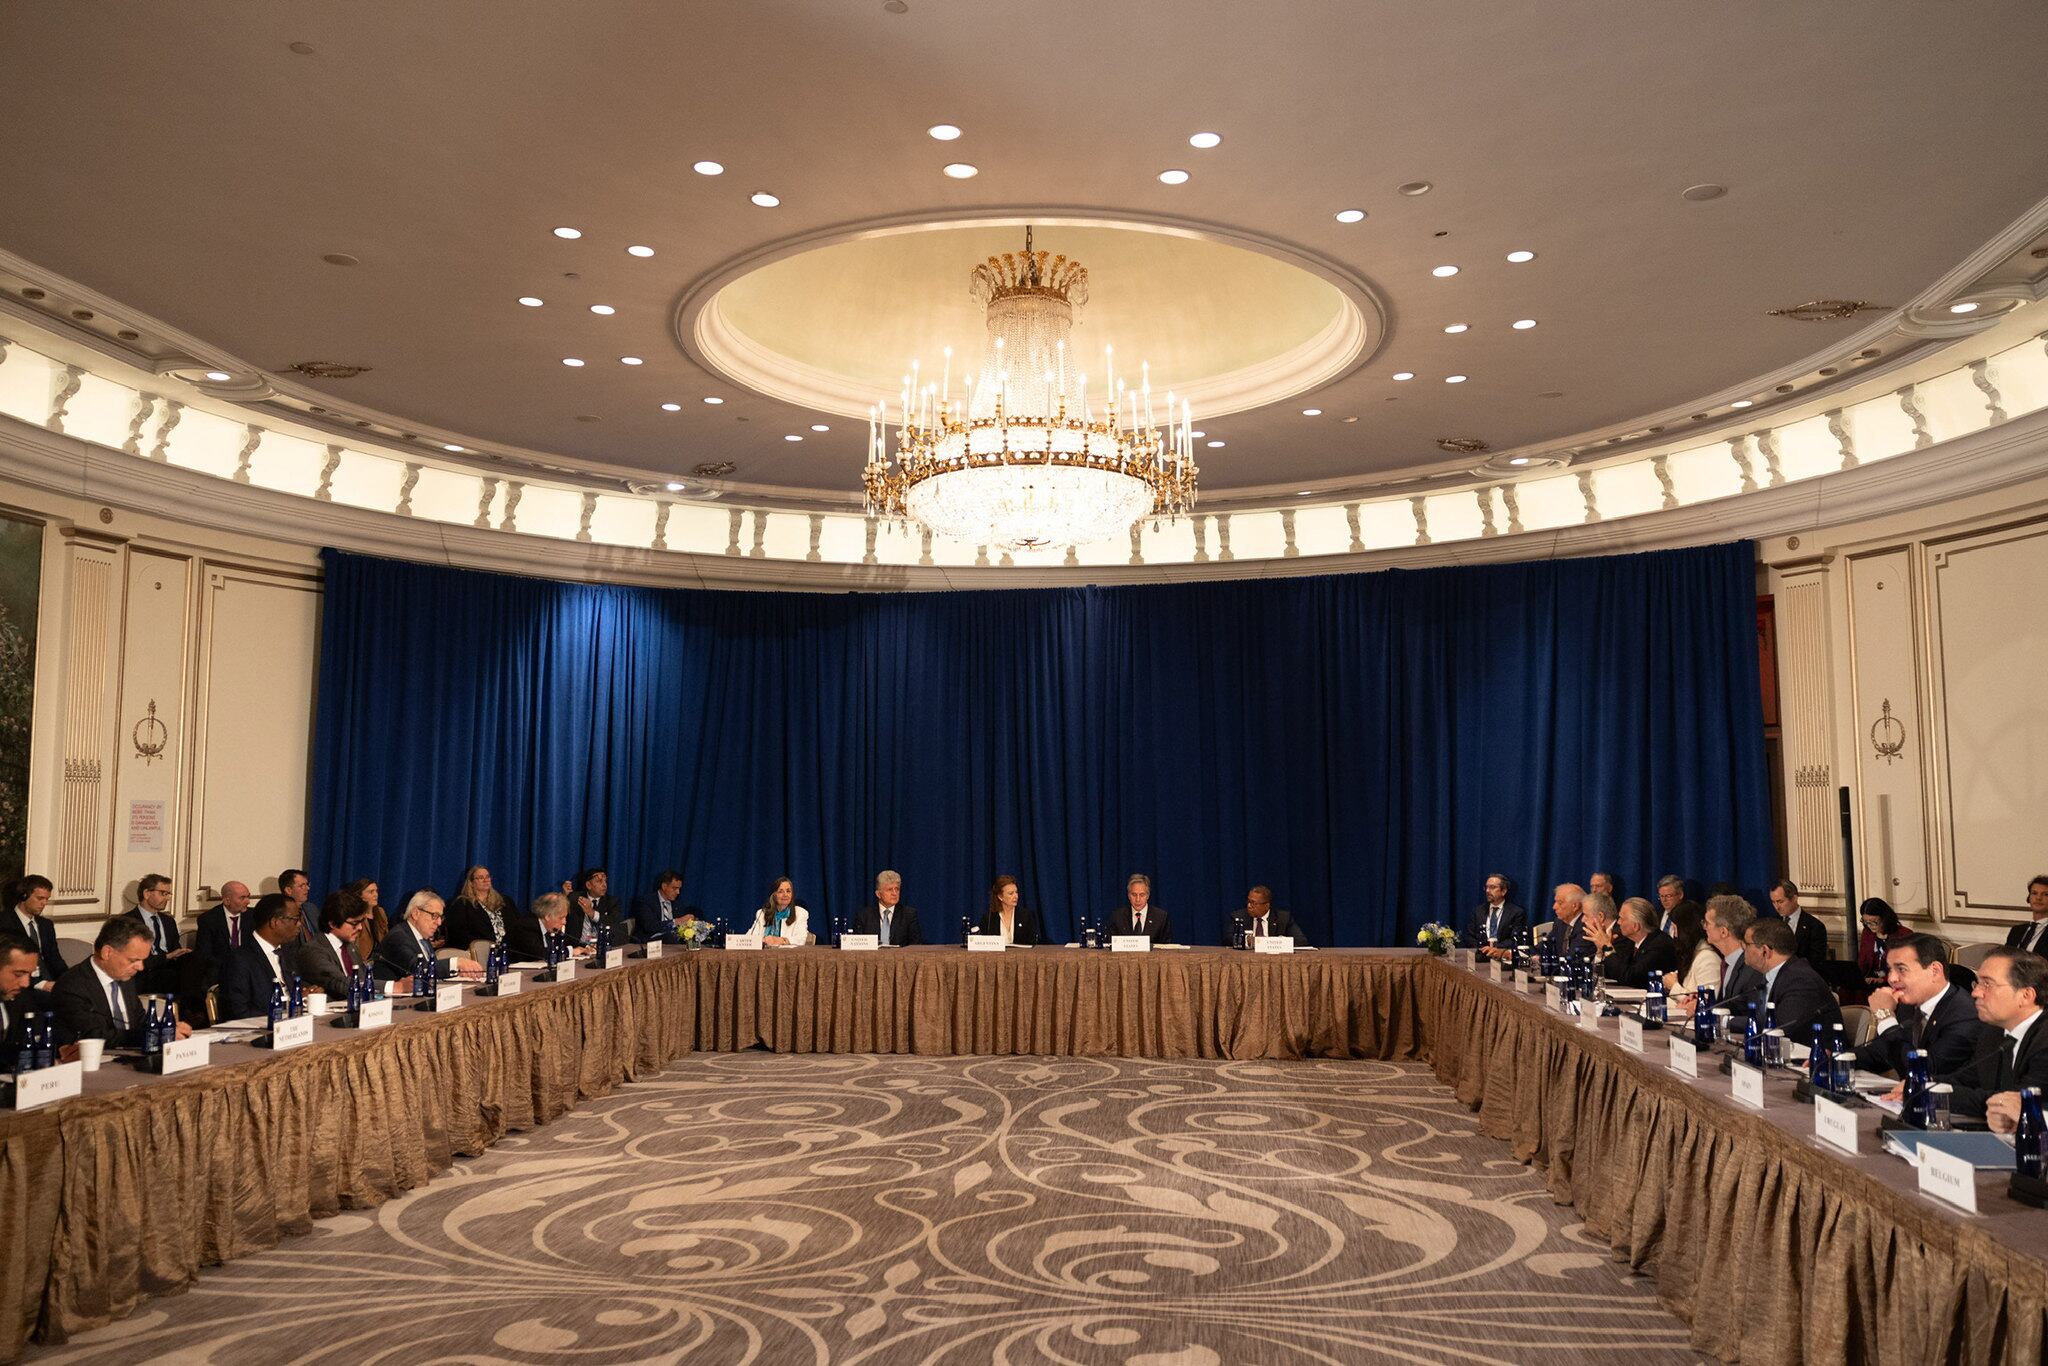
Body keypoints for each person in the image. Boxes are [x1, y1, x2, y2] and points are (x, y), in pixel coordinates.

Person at [1933, 949, 2048, 1122]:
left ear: (2026, 995)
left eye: (1987, 984)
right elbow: (1965, 1079)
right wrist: (1924, 1084)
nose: (1975, 993)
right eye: (1977, 983)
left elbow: (2017, 1103)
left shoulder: (2044, 1040)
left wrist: (1932, 1093)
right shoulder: (1992, 1032)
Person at [1862, 933, 1986, 1078]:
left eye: (1901, 969)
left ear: (1935, 971)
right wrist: (1836, 1060)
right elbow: (1880, 1052)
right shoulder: (1909, 1003)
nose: (1891, 979)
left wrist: (1885, 1016)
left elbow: (1925, 1072)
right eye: (1890, 969)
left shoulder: (1965, 1015)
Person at [52, 915, 189, 1046]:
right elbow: (96, 1036)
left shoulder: (125, 977)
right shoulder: (72, 986)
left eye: (143, 960)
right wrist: (153, 1034)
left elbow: (139, 1022)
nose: (141, 967)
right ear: (107, 952)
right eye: (134, 960)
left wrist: (164, 1027)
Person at [1740, 918, 1843, 1042]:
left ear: (1765, 951)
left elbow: (1779, 1028)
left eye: (1746, 944)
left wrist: (1728, 1021)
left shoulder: (1800, 980)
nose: (1743, 949)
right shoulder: (1764, 976)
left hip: (1812, 1057)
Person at [220, 896, 307, 1020]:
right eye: (295, 919)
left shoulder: (287, 952)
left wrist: (303, 997)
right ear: (275, 922)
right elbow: (238, 1012)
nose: (299, 924)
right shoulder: (240, 959)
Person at [1674, 894, 1763, 1012]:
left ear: (1723, 932)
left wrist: (1706, 1010)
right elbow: (1727, 1006)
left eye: (1707, 923)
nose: (1704, 928)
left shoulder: (1751, 968)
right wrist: (1701, 1002)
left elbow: (1750, 1015)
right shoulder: (1728, 963)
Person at [372, 889, 480, 983]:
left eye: (440, 917)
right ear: (416, 913)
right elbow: (417, 969)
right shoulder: (398, 938)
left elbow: (432, 971)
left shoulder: (423, 939)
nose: (439, 923)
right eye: (434, 916)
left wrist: (456, 972)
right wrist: (456, 963)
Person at [129, 873, 193, 997]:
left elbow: (175, 949)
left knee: (195, 961)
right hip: (145, 973)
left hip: (170, 969)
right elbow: (133, 959)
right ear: (147, 894)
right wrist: (166, 957)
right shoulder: (128, 921)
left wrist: (180, 953)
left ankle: (192, 1013)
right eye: (163, 893)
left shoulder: (168, 921)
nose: (168, 898)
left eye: (168, 894)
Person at [297, 890, 370, 998]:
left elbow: (362, 981)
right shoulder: (313, 951)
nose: (360, 928)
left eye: (361, 922)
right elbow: (342, 983)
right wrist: (392, 986)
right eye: (354, 923)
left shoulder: (351, 948)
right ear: (332, 923)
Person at [1596, 898, 1677, 988]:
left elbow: (1630, 977)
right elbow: (1610, 971)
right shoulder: (1629, 942)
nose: (1618, 922)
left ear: (1636, 926)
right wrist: (1600, 951)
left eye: (1622, 919)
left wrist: (1607, 948)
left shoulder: (1659, 945)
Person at [8, 875, 63, 991]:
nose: (44, 903)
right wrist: (40, 984)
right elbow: (7, 965)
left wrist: (69, 980)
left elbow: (54, 958)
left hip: (48, 981)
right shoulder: (5, 923)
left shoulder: (46, 925)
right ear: (24, 896)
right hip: (20, 987)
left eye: (47, 899)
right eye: (40, 898)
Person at [508, 891, 590, 963]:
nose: (564, 922)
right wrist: (570, 951)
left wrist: (585, 947)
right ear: (547, 916)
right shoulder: (526, 927)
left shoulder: (551, 928)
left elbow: (567, 940)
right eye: (561, 918)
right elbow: (540, 953)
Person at [443, 865, 509, 951]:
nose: (486, 880)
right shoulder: (462, 904)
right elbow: (458, 933)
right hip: (478, 953)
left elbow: (515, 927)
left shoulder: (504, 901)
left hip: (507, 952)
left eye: (488, 876)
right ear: (471, 883)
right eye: (481, 878)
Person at [851, 870, 924, 946]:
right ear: (878, 894)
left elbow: (916, 945)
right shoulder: (864, 916)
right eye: (889, 889)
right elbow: (856, 946)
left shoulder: (909, 915)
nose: (894, 893)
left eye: (897, 889)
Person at [1662, 901, 1720, 994]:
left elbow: (1706, 1002)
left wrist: (1674, 986)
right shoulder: (1693, 954)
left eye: (1675, 929)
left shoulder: (1708, 959)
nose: (1674, 935)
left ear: (1685, 930)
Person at [1460, 873, 1525, 955]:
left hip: (1502, 956)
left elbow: (1515, 939)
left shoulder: (1516, 912)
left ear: (1503, 891)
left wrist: (1494, 948)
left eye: (1492, 887)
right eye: (1486, 887)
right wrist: (1482, 949)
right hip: (1479, 954)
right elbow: (1469, 936)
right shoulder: (1478, 911)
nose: (1487, 891)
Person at [1768, 879, 1829, 966]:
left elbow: (1816, 962)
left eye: (1780, 901)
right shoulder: (1772, 923)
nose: (1777, 907)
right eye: (1773, 902)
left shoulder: (1815, 927)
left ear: (1794, 898)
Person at [565, 867, 629, 949]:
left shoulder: (612, 901)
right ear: (588, 885)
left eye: (605, 881)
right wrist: (564, 895)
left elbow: (614, 923)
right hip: (578, 947)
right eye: (599, 881)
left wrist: (592, 913)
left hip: (602, 947)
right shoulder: (575, 898)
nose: (604, 885)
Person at [194, 881, 254, 967]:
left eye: (248, 897)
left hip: (249, 968)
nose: (248, 901)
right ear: (227, 901)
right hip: (220, 969)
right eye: (242, 898)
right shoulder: (208, 919)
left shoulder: (254, 916)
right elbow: (204, 954)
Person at [0, 934, 41, 1054]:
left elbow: (38, 1028)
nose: (25, 983)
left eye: (29, 974)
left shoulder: (20, 996)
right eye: (18, 974)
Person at [976, 875, 1044, 946]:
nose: (1016, 896)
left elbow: (1033, 942)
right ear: (1000, 896)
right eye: (1011, 893)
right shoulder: (989, 918)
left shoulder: (1026, 916)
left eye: (1016, 892)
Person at [1856, 899, 1911, 986]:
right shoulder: (1867, 932)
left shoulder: (1903, 934)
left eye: (1874, 922)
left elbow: (1905, 967)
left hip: (1892, 980)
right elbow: (1862, 962)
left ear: (1885, 918)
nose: (1870, 926)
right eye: (1866, 922)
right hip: (1871, 980)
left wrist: (1882, 980)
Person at [630, 869, 689, 944]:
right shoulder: (645, 901)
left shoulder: (678, 904)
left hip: (672, 941)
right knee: (669, 937)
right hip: (649, 940)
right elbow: (650, 926)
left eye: (679, 889)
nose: (678, 892)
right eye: (674, 888)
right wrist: (675, 922)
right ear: (664, 886)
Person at [748, 877, 810, 946]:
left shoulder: (800, 913)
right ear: (774, 895)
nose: (785, 895)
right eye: (780, 891)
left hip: (787, 955)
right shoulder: (762, 913)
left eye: (788, 891)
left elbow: (801, 939)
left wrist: (779, 940)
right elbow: (750, 937)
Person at [1109, 874, 1171, 943]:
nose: (1137, 899)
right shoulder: (1117, 917)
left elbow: (1166, 948)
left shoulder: (1161, 917)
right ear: (1129, 896)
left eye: (1142, 895)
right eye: (1134, 895)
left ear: (1148, 896)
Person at [343, 877, 391, 962]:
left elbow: (386, 938)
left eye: (376, 891)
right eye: (371, 892)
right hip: (363, 961)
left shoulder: (381, 912)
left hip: (380, 960)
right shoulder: (355, 915)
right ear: (360, 895)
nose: (376, 895)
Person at [1240, 885, 1308, 946]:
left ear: (1266, 906)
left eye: (1253, 903)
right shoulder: (1240, 917)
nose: (1249, 906)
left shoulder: (1283, 918)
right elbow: (1230, 938)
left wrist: (1276, 942)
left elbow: (1301, 941)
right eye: (1248, 902)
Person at [2005, 876, 2048, 956]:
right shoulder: (2016, 930)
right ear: (2029, 898)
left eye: (2045, 894)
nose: (2038, 898)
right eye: (2034, 893)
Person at [1544, 883, 1589, 957]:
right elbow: (1545, 945)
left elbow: (1573, 957)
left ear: (1575, 906)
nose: (1554, 907)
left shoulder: (1585, 925)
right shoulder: (1559, 922)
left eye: (1560, 903)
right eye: (1555, 902)